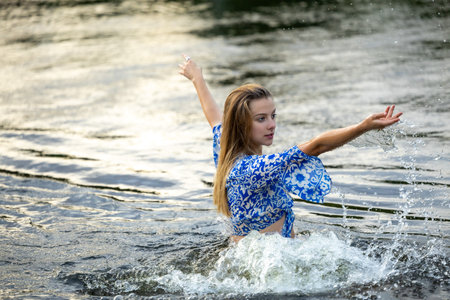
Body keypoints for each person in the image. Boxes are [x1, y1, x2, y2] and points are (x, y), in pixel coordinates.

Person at [178, 54, 402, 243]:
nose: (272, 124)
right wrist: (363, 127)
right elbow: (316, 145)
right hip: (270, 269)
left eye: (273, 115)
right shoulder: (253, 169)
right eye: (261, 118)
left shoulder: (225, 147)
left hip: (262, 259)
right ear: (240, 124)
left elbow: (214, 117)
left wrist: (197, 78)